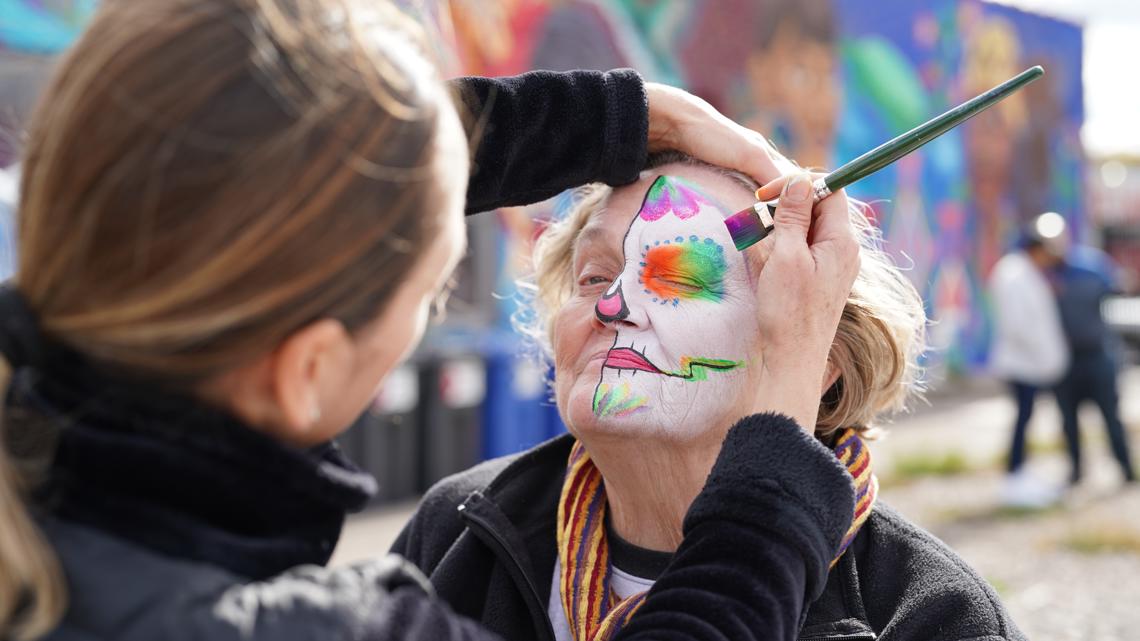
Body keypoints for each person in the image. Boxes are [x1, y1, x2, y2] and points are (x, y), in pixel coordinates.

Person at [0, 1, 865, 640]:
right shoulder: (379, 584)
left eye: (679, 272)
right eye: (424, 295)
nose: (610, 302)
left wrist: (616, 116)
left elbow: (224, 174)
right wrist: (778, 433)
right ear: (305, 374)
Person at [393, 153, 1028, 641]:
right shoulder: (457, 526)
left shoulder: (929, 613)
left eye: (678, 274)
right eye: (593, 277)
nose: (612, 305)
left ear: (818, 357)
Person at [988, 225, 1069, 507]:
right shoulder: (1014, 274)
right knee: (1022, 420)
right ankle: (1014, 478)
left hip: (1028, 363)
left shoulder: (1021, 271)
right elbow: (1019, 325)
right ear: (1037, 249)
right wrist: (1046, 356)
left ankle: (1020, 473)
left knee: (1026, 419)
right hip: (1022, 364)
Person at [1050, 229, 1137, 486]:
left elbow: (1118, 290)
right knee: (1068, 421)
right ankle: (1076, 472)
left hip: (1098, 355)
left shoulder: (1093, 265)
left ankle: (1126, 470)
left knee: (1111, 416)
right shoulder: (1046, 273)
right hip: (1065, 360)